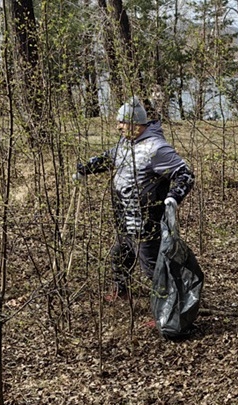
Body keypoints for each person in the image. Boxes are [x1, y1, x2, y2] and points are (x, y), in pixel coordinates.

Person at [75, 97, 196, 300]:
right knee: (120, 256)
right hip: (125, 217)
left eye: (122, 122)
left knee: (152, 268)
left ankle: (168, 309)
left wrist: (173, 197)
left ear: (135, 123)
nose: (118, 126)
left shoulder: (156, 148)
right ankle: (120, 291)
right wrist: (85, 168)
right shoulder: (126, 143)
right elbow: (110, 157)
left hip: (145, 221)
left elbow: (185, 174)